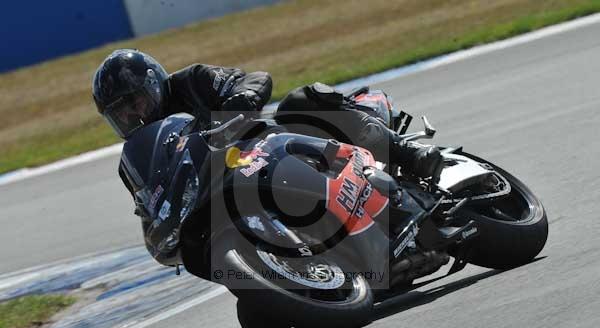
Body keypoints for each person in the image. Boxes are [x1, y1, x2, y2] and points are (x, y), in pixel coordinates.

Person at [92, 49, 443, 197]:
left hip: (265, 147)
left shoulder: (193, 81)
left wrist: (240, 100)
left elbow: (252, 79)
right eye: (118, 113)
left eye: (133, 102)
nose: (130, 116)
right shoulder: (140, 154)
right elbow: (149, 202)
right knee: (259, 318)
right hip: (228, 188)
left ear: (153, 83)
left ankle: (408, 152)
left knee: (300, 102)